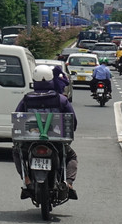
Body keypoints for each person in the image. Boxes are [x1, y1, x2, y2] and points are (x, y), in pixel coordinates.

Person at [13, 65, 78, 197]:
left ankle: (26, 179)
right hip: (56, 142)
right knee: (71, 156)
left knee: (17, 152)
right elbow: (72, 120)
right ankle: (68, 183)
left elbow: (18, 118)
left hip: (30, 141)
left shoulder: (26, 99)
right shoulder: (61, 99)